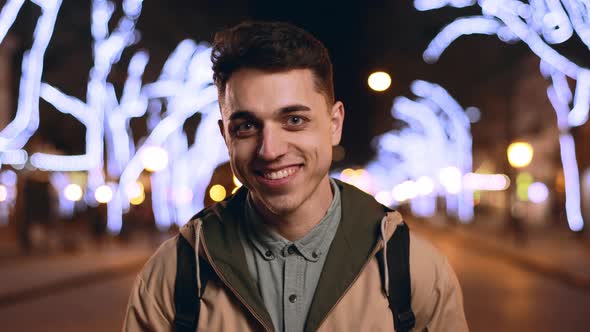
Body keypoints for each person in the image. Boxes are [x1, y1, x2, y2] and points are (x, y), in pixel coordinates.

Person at [123, 21, 468, 332]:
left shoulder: (413, 272)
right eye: (246, 126)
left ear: (334, 125)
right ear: (226, 137)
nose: (270, 150)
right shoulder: (173, 274)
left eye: (294, 120)